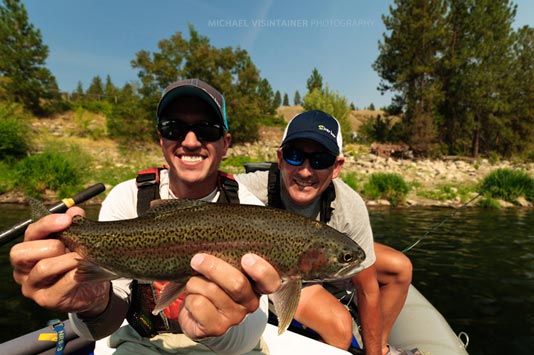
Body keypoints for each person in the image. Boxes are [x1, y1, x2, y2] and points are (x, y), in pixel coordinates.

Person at [10, 78, 281, 355]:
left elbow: (252, 328)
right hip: (144, 342)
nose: (190, 141)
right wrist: (93, 302)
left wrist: (210, 331)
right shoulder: (127, 196)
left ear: (225, 143)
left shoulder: (247, 208)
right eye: (174, 128)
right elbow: (105, 318)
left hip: (226, 347)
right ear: (161, 139)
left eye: (206, 130)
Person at [235, 110, 413, 355]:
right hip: (287, 272)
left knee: (399, 267)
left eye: (320, 160)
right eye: (295, 156)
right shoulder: (249, 189)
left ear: (336, 166)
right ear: (280, 158)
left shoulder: (349, 206)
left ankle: (379, 347)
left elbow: (368, 289)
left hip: (323, 255)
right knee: (340, 327)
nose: (306, 171)